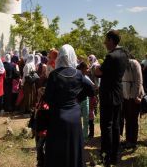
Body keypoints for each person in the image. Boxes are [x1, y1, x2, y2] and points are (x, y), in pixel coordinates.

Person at [43, 44, 95, 167]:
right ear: (72, 56)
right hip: (74, 117)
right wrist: (77, 99)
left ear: (59, 57)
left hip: (57, 116)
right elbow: (92, 89)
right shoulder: (78, 74)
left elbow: (48, 98)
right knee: (74, 147)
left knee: (57, 150)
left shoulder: (54, 75)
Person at [94, 30, 128, 166]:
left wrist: (95, 68)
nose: (104, 43)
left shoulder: (110, 57)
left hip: (108, 95)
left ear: (111, 41)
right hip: (118, 94)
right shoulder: (124, 54)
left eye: (106, 40)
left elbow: (98, 72)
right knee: (116, 125)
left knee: (106, 126)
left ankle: (105, 156)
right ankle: (114, 155)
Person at [120, 55, 145, 149]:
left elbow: (139, 80)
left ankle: (133, 142)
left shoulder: (134, 63)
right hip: (126, 96)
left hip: (133, 96)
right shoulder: (123, 63)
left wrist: (136, 95)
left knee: (133, 120)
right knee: (127, 119)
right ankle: (128, 140)